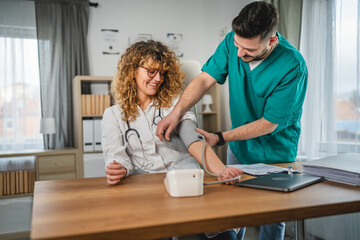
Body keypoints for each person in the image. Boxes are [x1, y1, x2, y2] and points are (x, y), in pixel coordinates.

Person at [156, 2, 308, 240]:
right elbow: (204, 80)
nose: (239, 54)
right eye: (237, 46)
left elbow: (269, 123)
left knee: (272, 217)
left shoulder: (293, 65)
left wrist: (220, 137)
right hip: (239, 148)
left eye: (248, 50)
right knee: (236, 211)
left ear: (271, 41)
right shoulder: (231, 42)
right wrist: (176, 113)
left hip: (276, 153)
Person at [101, 40, 243, 240]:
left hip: (187, 182)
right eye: (151, 71)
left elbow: (193, 140)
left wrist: (222, 171)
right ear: (132, 70)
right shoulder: (113, 115)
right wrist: (119, 168)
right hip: (147, 192)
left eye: (162, 73)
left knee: (215, 233)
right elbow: (116, 156)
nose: (158, 78)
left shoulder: (175, 104)